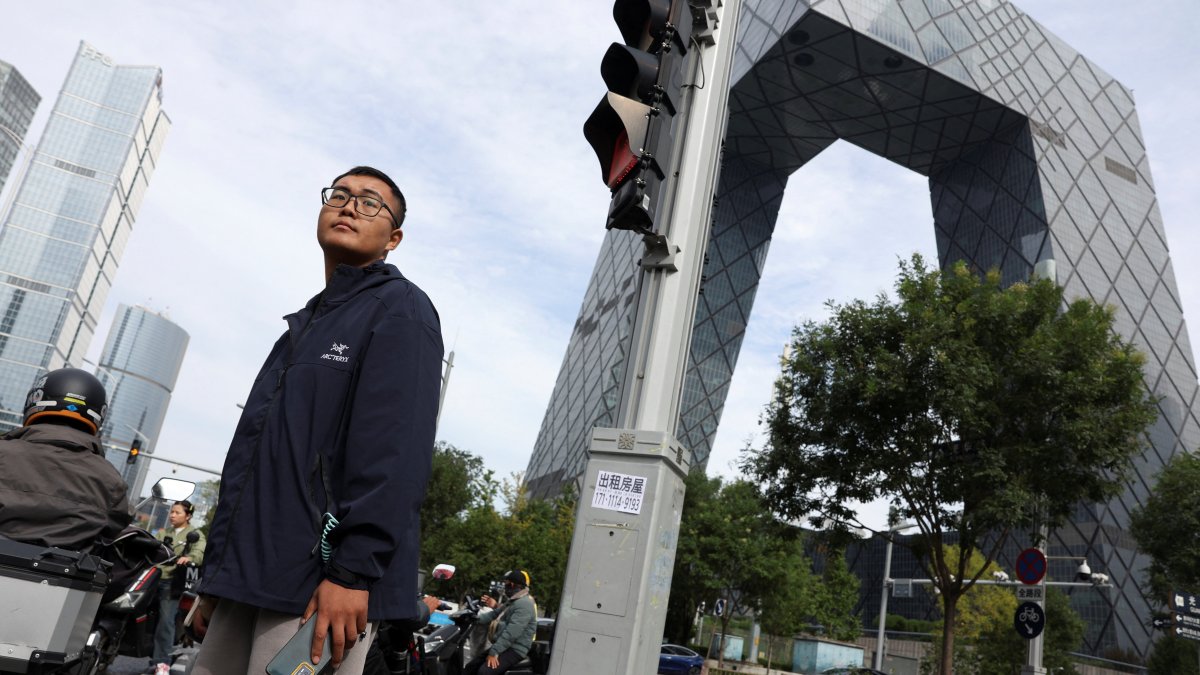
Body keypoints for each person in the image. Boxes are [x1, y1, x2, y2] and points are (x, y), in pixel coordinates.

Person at [191, 166, 443, 675]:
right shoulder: (305, 326)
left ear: (393, 238)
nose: (350, 206)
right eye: (340, 195)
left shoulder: (402, 310)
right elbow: (250, 463)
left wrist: (353, 574)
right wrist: (216, 577)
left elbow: (396, 454)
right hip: (248, 578)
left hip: (319, 589)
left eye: (371, 203)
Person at [0, 368, 132, 552]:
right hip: (63, 577)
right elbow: (113, 530)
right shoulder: (111, 479)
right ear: (99, 415)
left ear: (34, 401)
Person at [148, 500, 205, 672]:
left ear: (188, 516)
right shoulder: (164, 532)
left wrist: (189, 558)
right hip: (152, 578)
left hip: (172, 582)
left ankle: (162, 663)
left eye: (177, 512)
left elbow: (199, 553)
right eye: (171, 512)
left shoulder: (195, 534)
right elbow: (151, 547)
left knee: (166, 622)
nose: (172, 515)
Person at [464, 570, 537, 675]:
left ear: (512, 584)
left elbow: (511, 633)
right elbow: (494, 614)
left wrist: (494, 652)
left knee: (484, 672)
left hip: (515, 649)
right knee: (471, 667)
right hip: (505, 646)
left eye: (506, 584)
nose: (505, 586)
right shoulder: (512, 601)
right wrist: (474, 618)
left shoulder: (525, 604)